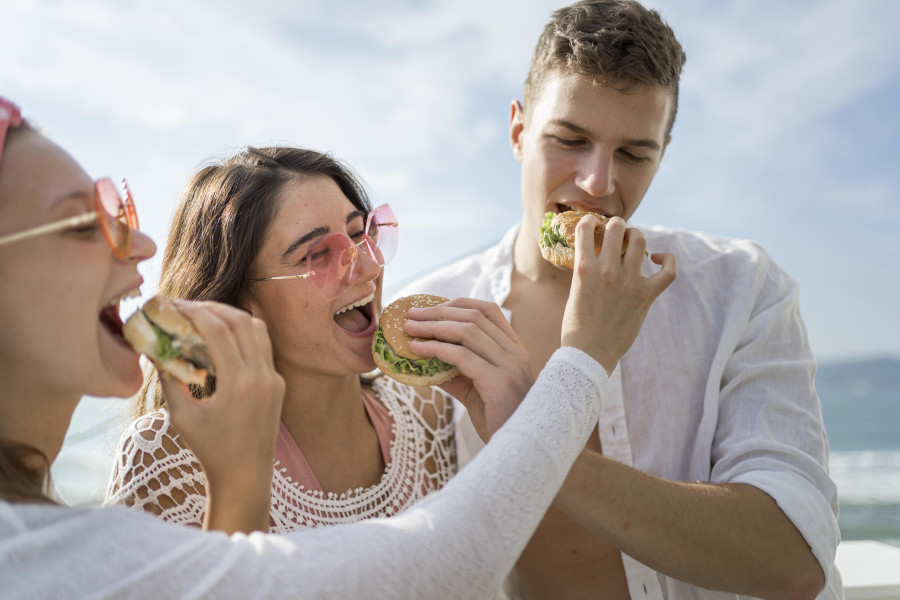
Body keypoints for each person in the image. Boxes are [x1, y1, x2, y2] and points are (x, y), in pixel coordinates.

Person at [0, 95, 676, 598]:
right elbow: (440, 562)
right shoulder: (163, 463)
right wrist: (584, 353)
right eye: (317, 253)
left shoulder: (430, 413)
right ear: (238, 302)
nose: (364, 265)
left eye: (363, 233)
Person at [398, 1, 843, 599]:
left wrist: (527, 440)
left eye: (634, 154)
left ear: (663, 152)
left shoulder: (742, 286)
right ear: (518, 131)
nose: (597, 183)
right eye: (569, 139)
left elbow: (792, 560)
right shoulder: (434, 317)